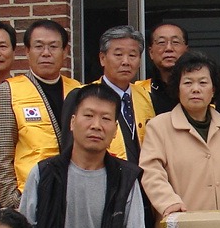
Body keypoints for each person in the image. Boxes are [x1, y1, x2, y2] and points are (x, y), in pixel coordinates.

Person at [20, 84, 149, 228]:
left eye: (106, 119)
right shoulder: (45, 174)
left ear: (115, 129)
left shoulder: (124, 178)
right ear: (72, 122)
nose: (96, 126)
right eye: (88, 116)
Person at [0, 19, 82, 209]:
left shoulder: (78, 90)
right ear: (27, 51)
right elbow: (0, 157)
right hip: (31, 197)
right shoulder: (9, 91)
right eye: (39, 46)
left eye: (53, 46)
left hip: (76, 195)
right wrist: (15, 202)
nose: (46, 53)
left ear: (65, 52)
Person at [139, 51, 220, 224]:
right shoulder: (159, 127)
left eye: (203, 83)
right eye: (187, 82)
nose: (195, 89)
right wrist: (169, 203)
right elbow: (151, 173)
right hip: (180, 226)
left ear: (213, 88)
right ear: (177, 88)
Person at [63, 25, 155, 165]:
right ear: (102, 58)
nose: (126, 62)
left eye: (132, 55)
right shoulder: (81, 96)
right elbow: (68, 148)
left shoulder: (147, 97)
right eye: (118, 55)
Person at [135, 22, 189, 115]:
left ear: (186, 50)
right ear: (151, 52)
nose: (168, 48)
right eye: (161, 43)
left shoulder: (201, 90)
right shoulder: (139, 92)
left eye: (175, 42)